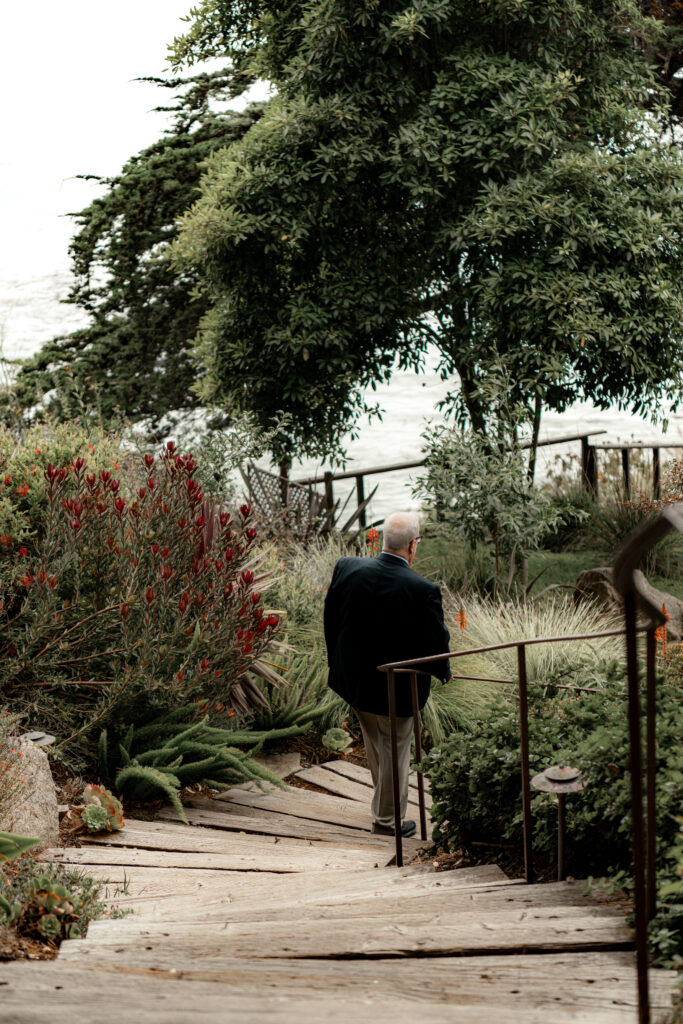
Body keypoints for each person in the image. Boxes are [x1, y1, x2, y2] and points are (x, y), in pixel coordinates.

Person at [324, 511, 450, 837]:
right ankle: (387, 822)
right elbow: (437, 643)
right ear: (412, 546)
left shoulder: (347, 568)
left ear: (383, 540)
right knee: (395, 750)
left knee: (377, 745)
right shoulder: (423, 590)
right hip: (396, 688)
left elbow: (331, 618)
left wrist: (334, 660)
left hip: (356, 681)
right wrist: (443, 672)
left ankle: (384, 808)